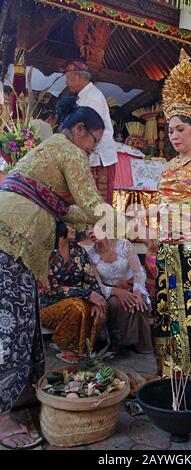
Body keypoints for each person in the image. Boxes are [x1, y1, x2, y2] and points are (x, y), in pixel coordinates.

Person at [0, 95, 118, 449]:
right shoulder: (69, 150)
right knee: (12, 326)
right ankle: (1, 417)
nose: (92, 150)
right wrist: (131, 221)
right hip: (14, 239)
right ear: (79, 130)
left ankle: (19, 394)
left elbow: (68, 211)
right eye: (93, 141)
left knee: (23, 322)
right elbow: (92, 203)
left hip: (12, 237)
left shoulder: (48, 148)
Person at [132, 50, 191, 380]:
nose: (173, 135)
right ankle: (165, 377)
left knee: (190, 312)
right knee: (164, 312)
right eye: (169, 130)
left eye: (179, 129)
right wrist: (151, 212)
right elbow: (161, 203)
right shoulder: (168, 166)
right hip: (165, 246)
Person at [40, 222, 107, 364]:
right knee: (77, 306)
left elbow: (90, 279)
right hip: (48, 306)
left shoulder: (79, 250)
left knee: (97, 306)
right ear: (58, 227)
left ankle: (84, 350)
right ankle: (67, 348)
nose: (75, 228)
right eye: (70, 225)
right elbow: (52, 289)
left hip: (78, 299)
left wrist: (98, 299)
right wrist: (87, 295)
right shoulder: (44, 252)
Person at [87, 227, 153, 354]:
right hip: (109, 290)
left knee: (140, 301)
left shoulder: (124, 245)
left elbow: (139, 272)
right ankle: (120, 345)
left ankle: (143, 344)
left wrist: (137, 292)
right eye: (88, 230)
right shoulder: (90, 255)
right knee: (116, 303)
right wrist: (117, 292)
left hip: (131, 286)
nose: (90, 232)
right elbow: (96, 284)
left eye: (94, 228)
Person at [65, 61, 117, 202]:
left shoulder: (93, 97)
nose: (66, 82)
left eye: (68, 77)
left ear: (79, 77)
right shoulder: (84, 95)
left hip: (99, 158)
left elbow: (91, 130)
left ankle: (99, 224)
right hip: (91, 155)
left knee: (98, 202)